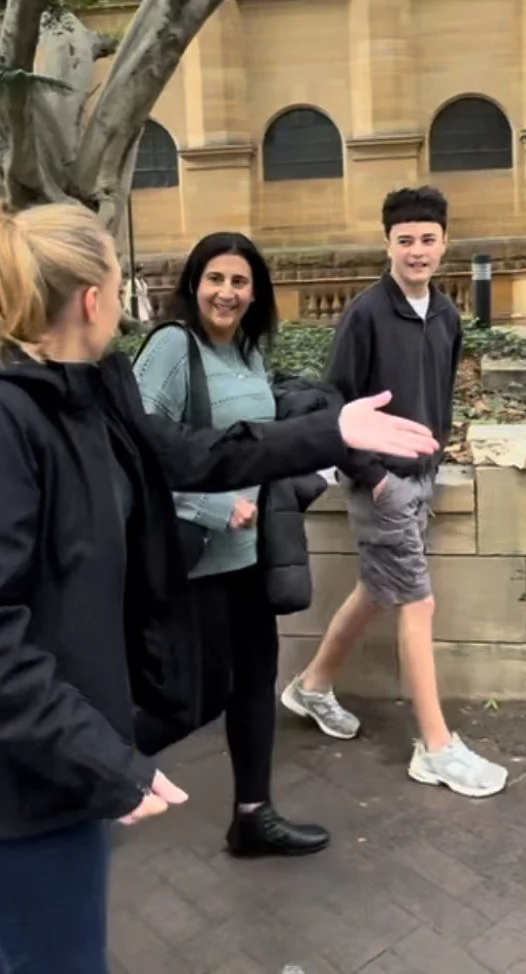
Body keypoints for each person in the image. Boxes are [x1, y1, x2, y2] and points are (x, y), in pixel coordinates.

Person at [0, 203, 439, 974]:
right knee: (58, 958)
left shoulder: (86, 387)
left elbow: (190, 455)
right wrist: (106, 760)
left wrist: (332, 432)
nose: (130, 301)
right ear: (92, 298)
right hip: (0, 775)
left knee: (20, 952)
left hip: (55, 755)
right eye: (123, 283)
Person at [282, 186, 510, 799]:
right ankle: (435, 747)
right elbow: (335, 404)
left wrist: (435, 452)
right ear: (387, 243)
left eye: (427, 240)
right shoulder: (365, 315)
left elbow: (443, 391)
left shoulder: (447, 315)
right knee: (417, 602)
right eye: (405, 240)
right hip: (380, 483)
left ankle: (312, 686)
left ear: (444, 244)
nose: (416, 251)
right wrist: (374, 477)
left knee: (379, 589)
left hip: (422, 476)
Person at [131, 232, 330, 858]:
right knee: (195, 698)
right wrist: (212, 507)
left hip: (248, 557)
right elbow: (136, 449)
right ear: (193, 284)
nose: (227, 292)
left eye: (239, 281)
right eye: (215, 279)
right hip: (193, 559)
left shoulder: (248, 349)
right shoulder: (173, 347)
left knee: (255, 681)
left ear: (255, 292)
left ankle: (253, 816)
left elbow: (252, 445)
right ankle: (79, 770)